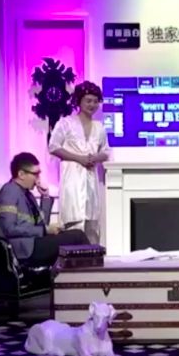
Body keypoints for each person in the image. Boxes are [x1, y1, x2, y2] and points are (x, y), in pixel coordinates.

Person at [0, 152, 89, 266]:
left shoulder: (27, 194)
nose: (38, 179)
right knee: (77, 236)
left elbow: (42, 223)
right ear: (21, 174)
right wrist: (45, 230)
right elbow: (9, 229)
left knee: (75, 236)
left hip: (34, 242)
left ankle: (83, 274)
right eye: (35, 174)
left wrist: (45, 197)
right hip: (24, 249)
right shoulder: (9, 191)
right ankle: (94, 274)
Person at [49, 81, 110, 244]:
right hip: (72, 179)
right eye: (88, 100)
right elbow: (53, 147)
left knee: (91, 224)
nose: (92, 105)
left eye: (95, 101)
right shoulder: (66, 123)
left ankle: (92, 257)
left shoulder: (99, 127)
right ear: (79, 101)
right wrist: (79, 158)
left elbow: (106, 152)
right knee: (72, 221)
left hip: (91, 181)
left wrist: (94, 158)